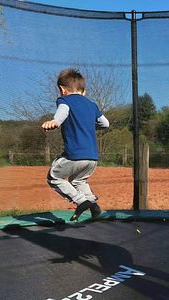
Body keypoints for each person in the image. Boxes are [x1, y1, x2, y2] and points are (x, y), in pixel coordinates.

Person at [41, 68, 109, 221]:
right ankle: (93, 204)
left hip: (75, 155)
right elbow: (105, 124)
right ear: (83, 91)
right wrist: (89, 126)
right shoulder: (92, 105)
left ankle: (81, 201)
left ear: (62, 89)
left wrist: (56, 121)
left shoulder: (65, 100)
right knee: (79, 181)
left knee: (53, 177)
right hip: (92, 158)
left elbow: (63, 111)